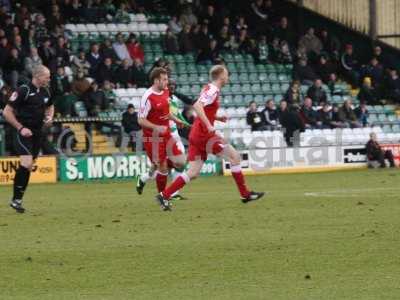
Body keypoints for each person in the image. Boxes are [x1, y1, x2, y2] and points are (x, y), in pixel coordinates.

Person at [156, 65, 265, 211]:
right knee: (235, 157)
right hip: (204, 135)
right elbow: (197, 106)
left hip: (196, 133)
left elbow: (204, 109)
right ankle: (244, 194)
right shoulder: (212, 90)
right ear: (221, 76)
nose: (228, 77)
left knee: (193, 172)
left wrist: (217, 117)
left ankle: (164, 195)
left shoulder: (209, 88)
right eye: (226, 74)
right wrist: (208, 125)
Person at [2, 65, 53, 213]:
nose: (48, 79)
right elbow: (7, 112)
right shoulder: (23, 90)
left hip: (37, 133)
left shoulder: (46, 90)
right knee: (27, 162)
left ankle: (17, 200)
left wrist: (50, 117)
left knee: (29, 165)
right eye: (46, 76)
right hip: (22, 131)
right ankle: (16, 200)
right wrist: (20, 128)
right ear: (37, 76)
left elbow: (50, 106)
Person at [137, 67, 186, 209]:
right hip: (152, 137)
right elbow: (140, 120)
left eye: (167, 79)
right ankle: (162, 198)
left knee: (181, 162)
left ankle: (147, 175)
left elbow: (166, 112)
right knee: (163, 167)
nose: (167, 82)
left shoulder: (165, 91)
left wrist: (176, 120)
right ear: (156, 80)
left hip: (166, 134)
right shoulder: (148, 96)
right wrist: (156, 127)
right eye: (164, 79)